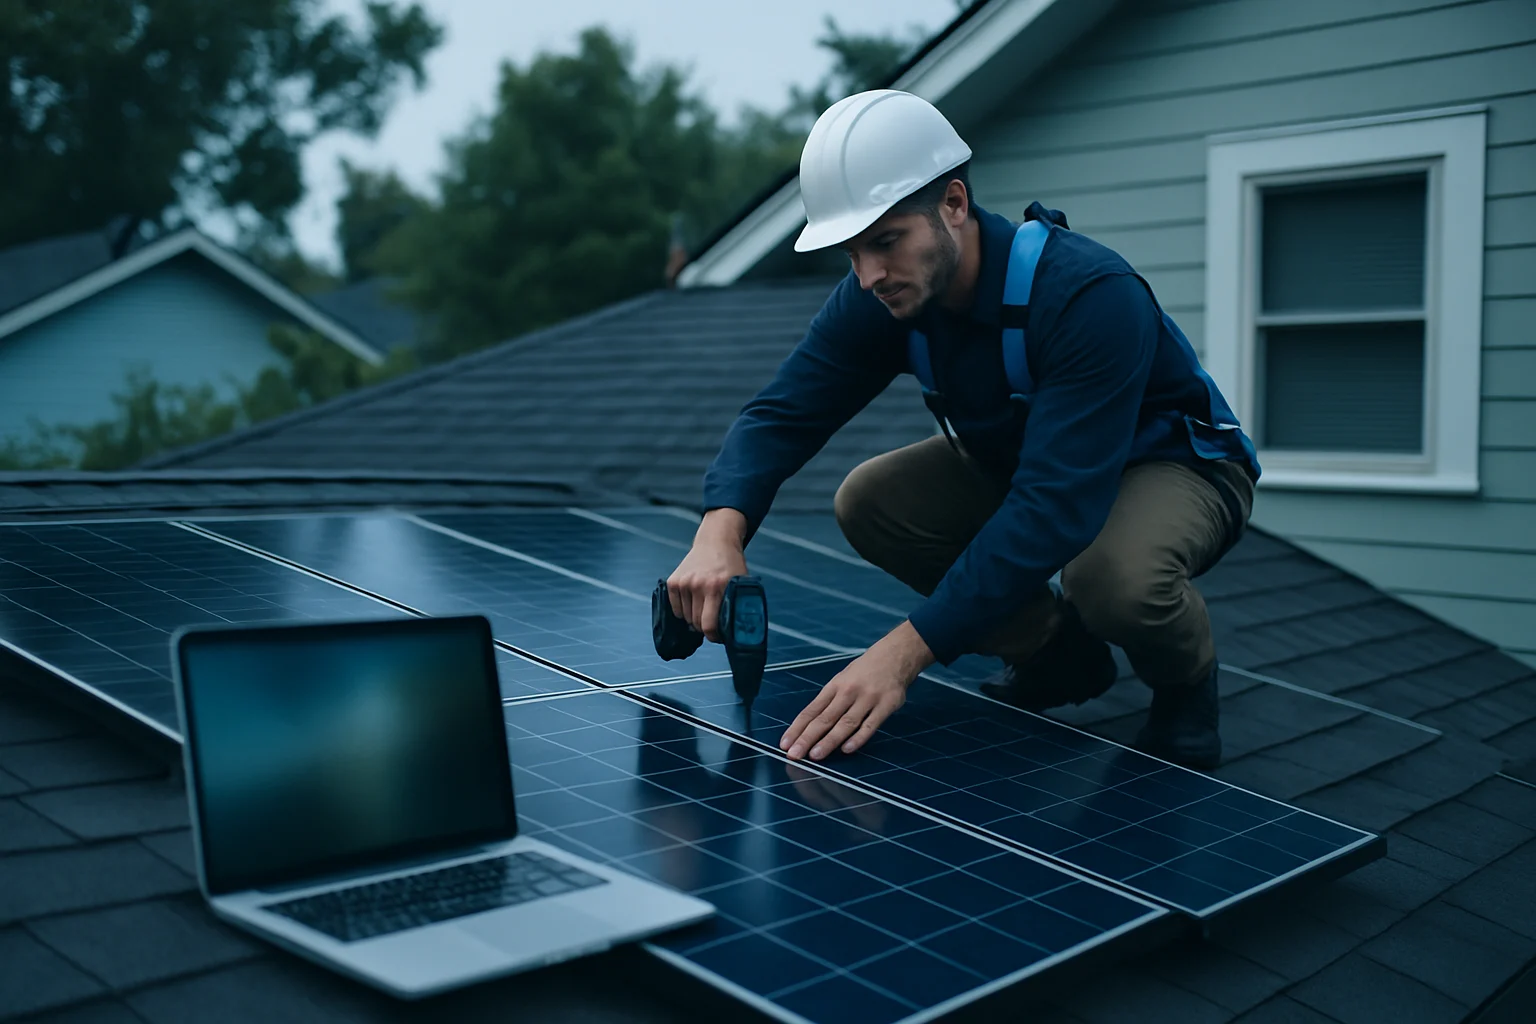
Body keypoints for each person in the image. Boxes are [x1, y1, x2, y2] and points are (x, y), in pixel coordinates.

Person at [664, 90, 1259, 772]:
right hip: (1030, 457)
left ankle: (1186, 688)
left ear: (953, 204)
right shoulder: (879, 296)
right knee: (869, 501)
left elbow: (1054, 507)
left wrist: (903, 654)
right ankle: (1054, 653)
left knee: (1112, 580)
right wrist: (719, 530)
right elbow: (782, 413)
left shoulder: (1088, 295)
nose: (869, 275)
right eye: (852, 252)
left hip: (1174, 461)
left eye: (886, 242)